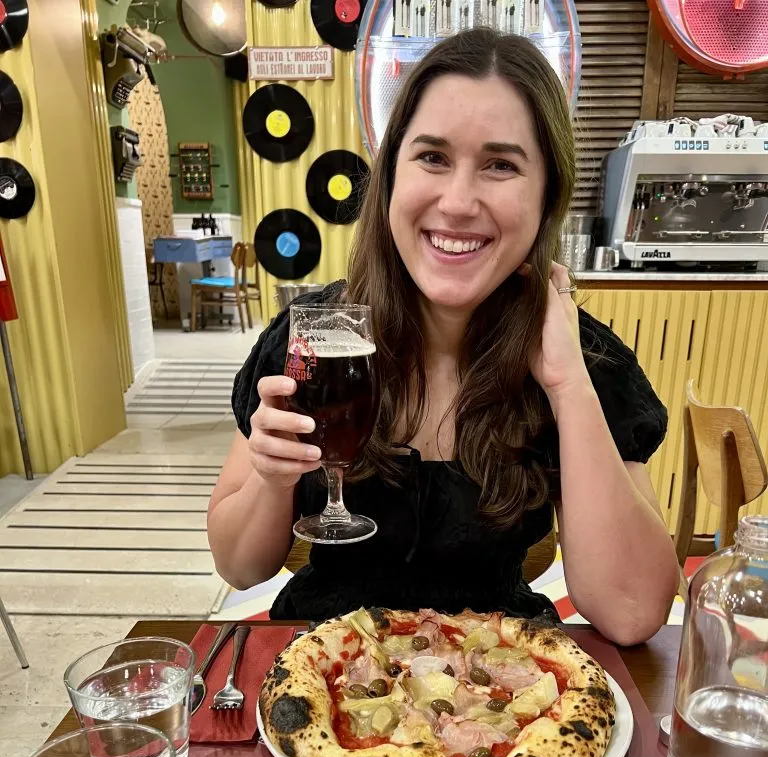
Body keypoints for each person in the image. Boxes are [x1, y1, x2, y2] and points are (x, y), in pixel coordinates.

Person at [208, 28, 679, 645]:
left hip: (505, 693)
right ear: (391, 180)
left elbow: (634, 611)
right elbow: (238, 567)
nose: (457, 202)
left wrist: (567, 385)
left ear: (546, 198)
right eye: (432, 157)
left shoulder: (587, 359)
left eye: (501, 165)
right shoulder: (315, 339)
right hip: (327, 668)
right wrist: (272, 480)